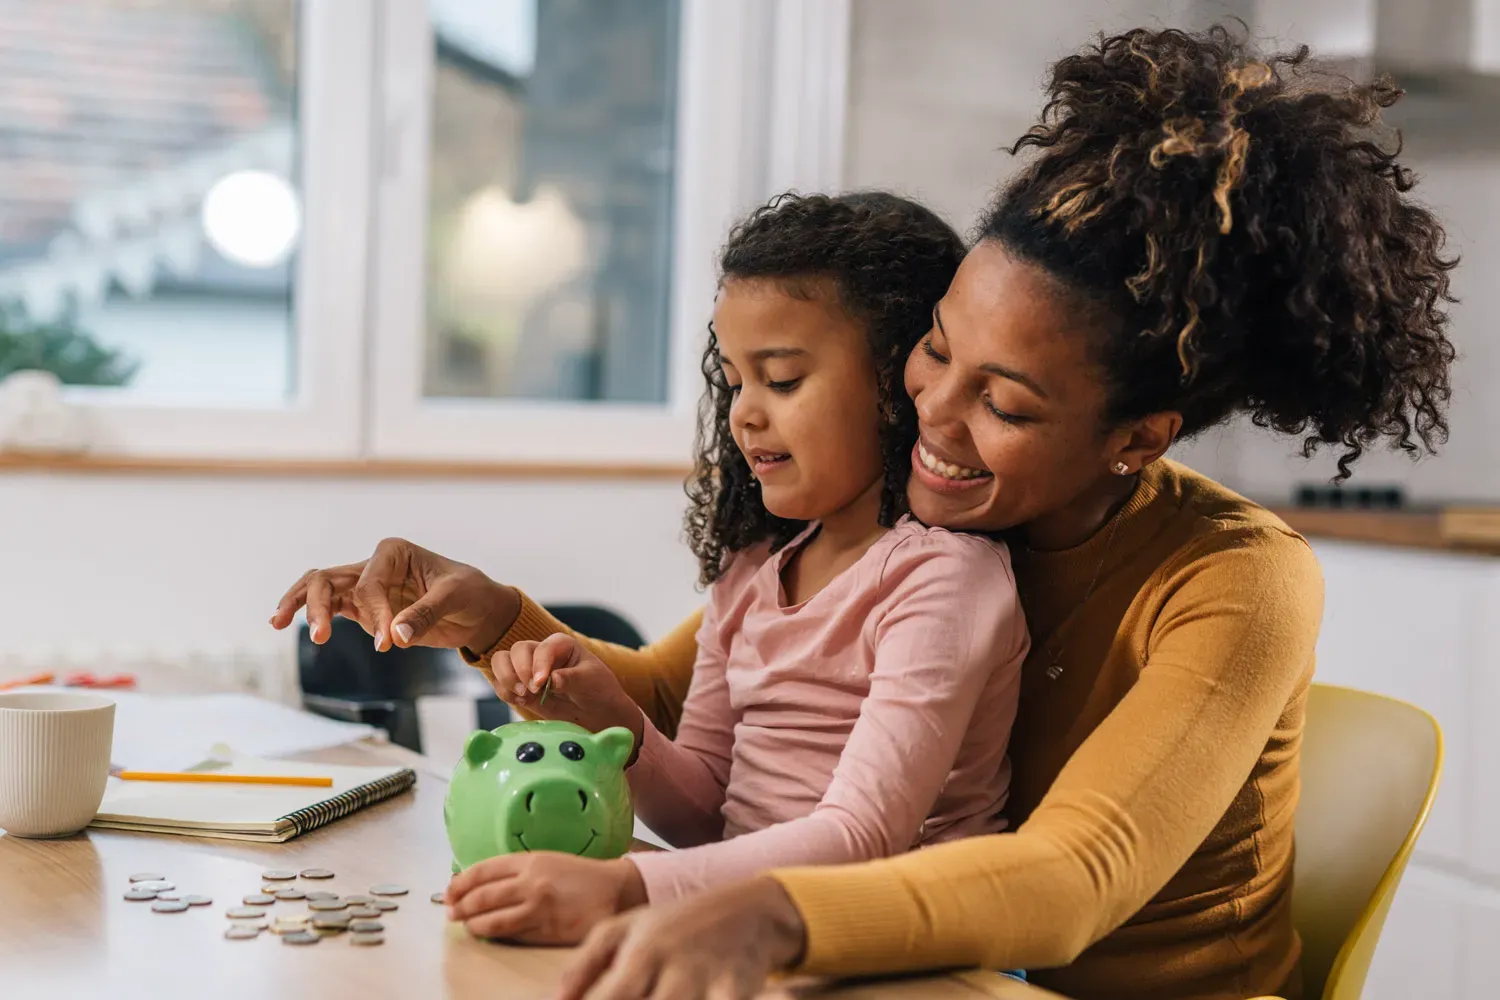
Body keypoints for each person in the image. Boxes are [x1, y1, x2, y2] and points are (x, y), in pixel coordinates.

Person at [271, 25, 1458, 1000]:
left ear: (1136, 441)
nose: (934, 414)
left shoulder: (1236, 579)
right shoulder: (944, 521)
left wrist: (758, 911)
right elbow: (687, 707)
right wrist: (489, 614)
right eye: (936, 350)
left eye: (1005, 402)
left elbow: (1071, 873)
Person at [462, 192, 1028, 931]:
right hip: (756, 929)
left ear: (899, 383)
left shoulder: (942, 579)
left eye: (783, 379)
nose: (744, 413)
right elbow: (707, 816)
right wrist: (614, 720)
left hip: (913, 951)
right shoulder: (752, 574)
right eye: (734, 382)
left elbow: (862, 838)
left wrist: (629, 886)